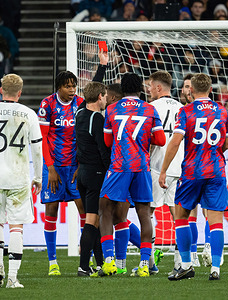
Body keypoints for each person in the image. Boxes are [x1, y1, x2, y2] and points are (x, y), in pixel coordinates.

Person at [159, 73, 228, 281]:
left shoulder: (186, 111)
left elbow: (175, 142)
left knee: (181, 216)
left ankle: (185, 265)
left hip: (193, 171)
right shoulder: (221, 111)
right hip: (216, 172)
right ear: (211, 90)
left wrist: (164, 170)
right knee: (216, 221)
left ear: (191, 90)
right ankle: (215, 268)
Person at [98, 73, 166, 278]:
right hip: (142, 166)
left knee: (105, 209)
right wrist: (144, 141)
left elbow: (108, 142)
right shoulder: (150, 109)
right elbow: (161, 140)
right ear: (140, 89)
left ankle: (109, 261)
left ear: (122, 89)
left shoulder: (112, 109)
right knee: (144, 213)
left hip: (119, 166)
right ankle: (145, 263)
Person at [0, 73, 42, 289]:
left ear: (0, 90)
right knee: (16, 226)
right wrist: (38, 177)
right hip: (18, 177)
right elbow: (37, 148)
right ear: (20, 92)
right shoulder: (28, 113)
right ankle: (12, 278)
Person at [37, 71, 85, 276]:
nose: (72, 89)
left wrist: (81, 165)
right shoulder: (47, 105)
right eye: (67, 86)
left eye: (74, 85)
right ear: (59, 87)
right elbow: (43, 138)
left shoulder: (81, 103)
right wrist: (50, 167)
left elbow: (85, 136)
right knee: (51, 212)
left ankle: (86, 256)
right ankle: (52, 262)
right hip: (54, 166)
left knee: (85, 210)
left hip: (75, 167)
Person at [148, 70, 184, 273]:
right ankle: (180, 263)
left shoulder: (151, 108)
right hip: (178, 168)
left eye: (151, 86)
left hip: (156, 167)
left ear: (158, 87)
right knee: (178, 216)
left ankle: (150, 263)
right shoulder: (183, 108)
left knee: (148, 213)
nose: (149, 89)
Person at [75, 81, 109, 276]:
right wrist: (110, 170)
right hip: (96, 173)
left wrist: (102, 68)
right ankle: (83, 266)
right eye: (104, 96)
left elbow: (87, 97)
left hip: (82, 174)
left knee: (94, 221)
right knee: (91, 220)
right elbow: (103, 149)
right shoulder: (97, 118)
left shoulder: (80, 113)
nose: (105, 99)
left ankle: (99, 263)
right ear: (99, 97)